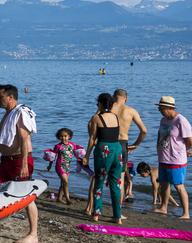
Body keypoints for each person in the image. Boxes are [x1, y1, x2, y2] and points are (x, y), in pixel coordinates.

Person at [0, 84, 38, 243]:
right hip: (6, 160)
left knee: (27, 197)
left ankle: (33, 234)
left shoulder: (20, 112)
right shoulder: (9, 113)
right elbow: (5, 130)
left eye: (0, 97)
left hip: (20, 160)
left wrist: (25, 165)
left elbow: (24, 138)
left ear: (10, 97)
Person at [83, 93, 123, 224]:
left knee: (99, 182)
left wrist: (87, 155)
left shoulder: (96, 118)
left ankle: (96, 214)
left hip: (103, 150)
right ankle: (118, 217)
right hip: (117, 149)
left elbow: (92, 138)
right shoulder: (116, 117)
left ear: (100, 104)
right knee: (115, 184)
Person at [153, 96, 191, 219]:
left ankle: (186, 213)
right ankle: (164, 207)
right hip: (163, 157)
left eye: (161, 108)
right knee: (164, 184)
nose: (159, 110)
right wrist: (157, 148)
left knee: (178, 185)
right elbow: (160, 134)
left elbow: (189, 139)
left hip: (177, 159)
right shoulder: (163, 120)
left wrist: (189, 150)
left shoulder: (181, 120)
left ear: (169, 108)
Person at [111, 89, 147, 202]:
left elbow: (92, 123)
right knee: (120, 178)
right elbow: (144, 131)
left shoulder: (107, 109)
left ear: (113, 96)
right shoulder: (131, 111)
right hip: (122, 144)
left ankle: (92, 208)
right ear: (126, 98)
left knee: (102, 176)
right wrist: (136, 145)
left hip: (108, 143)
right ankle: (118, 210)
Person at [45, 128, 83, 205]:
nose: (63, 138)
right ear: (58, 137)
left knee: (63, 183)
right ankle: (68, 199)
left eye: (65, 136)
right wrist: (49, 165)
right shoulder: (58, 146)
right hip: (59, 166)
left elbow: (77, 155)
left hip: (68, 167)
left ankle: (59, 198)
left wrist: (81, 163)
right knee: (66, 182)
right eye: (61, 136)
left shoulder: (73, 145)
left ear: (69, 136)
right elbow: (53, 157)